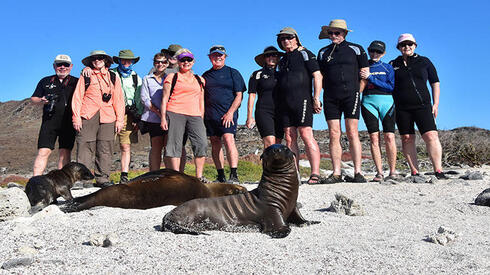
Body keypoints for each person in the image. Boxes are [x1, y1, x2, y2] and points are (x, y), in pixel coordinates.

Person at [317, 19, 369, 183]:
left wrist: (357, 92)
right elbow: (319, 76)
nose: (333, 35)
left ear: (345, 34)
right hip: (330, 96)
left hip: (351, 94)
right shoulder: (322, 52)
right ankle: (337, 173)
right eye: (331, 33)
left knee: (352, 132)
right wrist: (316, 96)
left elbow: (364, 73)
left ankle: (358, 172)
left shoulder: (356, 49)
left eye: (337, 33)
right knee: (334, 134)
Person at [389, 33, 448, 179]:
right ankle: (414, 172)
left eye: (409, 44)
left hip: (423, 105)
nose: (406, 47)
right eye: (403, 44)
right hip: (402, 108)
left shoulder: (424, 61)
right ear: (398, 47)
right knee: (407, 138)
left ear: (415, 45)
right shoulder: (392, 64)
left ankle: (438, 171)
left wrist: (436, 104)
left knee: (431, 135)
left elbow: (435, 82)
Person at [275, 27, 323, 185]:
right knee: (289, 137)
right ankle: (294, 174)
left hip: (302, 99)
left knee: (306, 133)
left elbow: (317, 75)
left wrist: (316, 98)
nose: (285, 41)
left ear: (296, 38)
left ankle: (315, 173)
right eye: (282, 39)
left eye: (289, 37)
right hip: (285, 102)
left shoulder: (305, 53)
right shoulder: (282, 60)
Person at [72, 50, 125, 188]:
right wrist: (76, 117)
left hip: (108, 115)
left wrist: (120, 119)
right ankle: (84, 180)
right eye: (94, 58)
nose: (97, 60)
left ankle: (103, 179)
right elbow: (77, 97)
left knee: (105, 148)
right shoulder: (86, 75)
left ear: (105, 60)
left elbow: (119, 99)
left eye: (100, 58)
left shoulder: (113, 77)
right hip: (88, 114)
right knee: (85, 147)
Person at [160, 49, 208, 181]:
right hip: (175, 112)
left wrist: (201, 117)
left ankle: (199, 176)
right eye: (183, 60)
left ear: (193, 61)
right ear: (178, 62)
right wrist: (163, 117)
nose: (186, 62)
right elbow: (164, 99)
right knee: (175, 145)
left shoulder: (200, 79)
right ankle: (176, 177)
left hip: (195, 114)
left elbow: (201, 100)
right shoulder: (172, 77)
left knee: (201, 143)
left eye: (189, 60)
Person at [203, 45, 246, 183]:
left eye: (220, 55)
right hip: (210, 115)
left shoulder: (233, 73)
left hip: (228, 113)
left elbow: (239, 96)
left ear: (225, 57)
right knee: (215, 142)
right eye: (214, 55)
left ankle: (234, 175)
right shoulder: (205, 75)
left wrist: (230, 112)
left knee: (228, 139)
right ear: (210, 57)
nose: (218, 58)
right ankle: (220, 175)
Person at [31, 54, 78, 176]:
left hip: (68, 122)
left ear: (71, 66)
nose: (62, 67)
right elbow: (33, 98)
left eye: (66, 65)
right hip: (49, 122)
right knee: (43, 151)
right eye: (59, 64)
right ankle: (35, 180)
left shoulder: (76, 82)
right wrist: (42, 100)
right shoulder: (45, 81)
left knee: (65, 152)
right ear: (54, 66)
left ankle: (63, 181)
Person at [359, 40, 398, 182]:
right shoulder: (363, 66)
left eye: (378, 51)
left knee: (389, 137)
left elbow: (390, 87)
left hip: (387, 102)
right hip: (368, 102)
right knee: (374, 138)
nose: (375, 54)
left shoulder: (388, 67)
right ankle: (379, 172)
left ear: (384, 53)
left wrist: (370, 77)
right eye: (372, 51)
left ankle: (393, 171)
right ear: (368, 51)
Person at [111, 50, 143, 183]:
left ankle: (124, 175)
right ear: (118, 60)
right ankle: (102, 175)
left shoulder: (136, 77)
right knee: (105, 145)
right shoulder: (110, 74)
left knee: (125, 146)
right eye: (123, 60)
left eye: (129, 60)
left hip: (128, 114)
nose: (126, 62)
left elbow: (138, 98)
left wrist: (137, 118)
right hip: (111, 113)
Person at [246, 46, 284, 148]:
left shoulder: (283, 74)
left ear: (278, 58)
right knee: (270, 143)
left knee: (278, 145)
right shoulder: (257, 74)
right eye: (268, 55)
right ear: (264, 58)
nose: (271, 57)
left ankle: (273, 164)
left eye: (274, 55)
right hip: (264, 111)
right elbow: (252, 95)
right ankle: (267, 164)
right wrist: (249, 116)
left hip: (280, 112)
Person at [140, 53, 169, 171]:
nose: (160, 64)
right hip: (153, 117)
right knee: (156, 146)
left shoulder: (170, 78)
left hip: (169, 118)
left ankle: (169, 174)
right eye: (158, 62)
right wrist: (158, 113)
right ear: (154, 63)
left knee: (169, 147)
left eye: (163, 62)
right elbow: (145, 98)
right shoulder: (147, 79)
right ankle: (154, 174)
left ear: (167, 63)